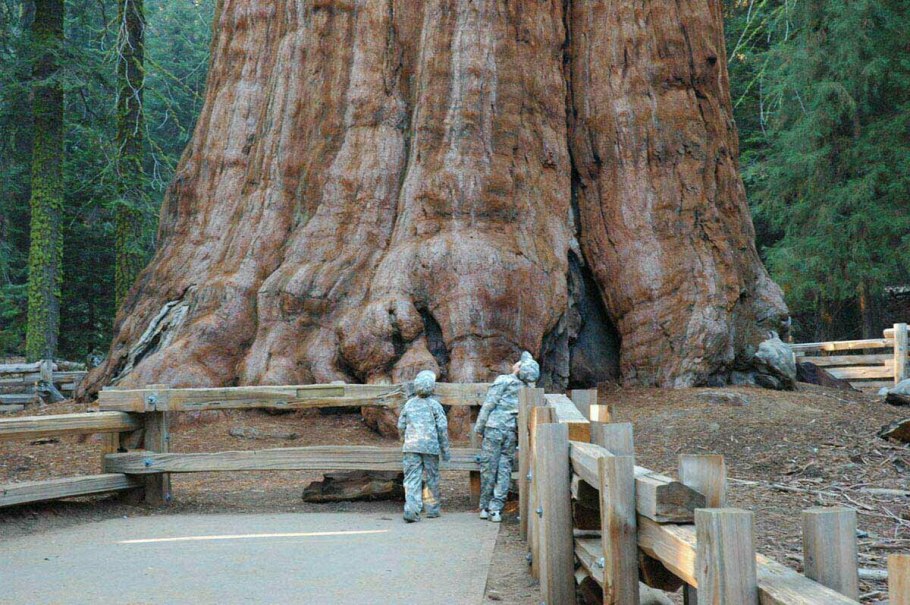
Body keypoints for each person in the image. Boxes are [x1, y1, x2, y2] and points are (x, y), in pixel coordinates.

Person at [475, 351, 540, 522]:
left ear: (519, 369)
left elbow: (489, 404)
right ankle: (496, 508)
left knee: (489, 466)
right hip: (511, 432)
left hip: (494, 428)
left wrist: (479, 427)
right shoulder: (528, 389)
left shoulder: (504, 380)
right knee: (504, 468)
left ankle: (484, 506)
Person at [397, 370, 450, 523]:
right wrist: (445, 451)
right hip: (430, 447)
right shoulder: (435, 405)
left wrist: (404, 441)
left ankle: (412, 510)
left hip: (411, 447)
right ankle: (432, 509)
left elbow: (401, 425)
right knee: (431, 477)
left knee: (412, 478)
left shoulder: (409, 404)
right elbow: (442, 429)